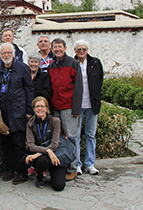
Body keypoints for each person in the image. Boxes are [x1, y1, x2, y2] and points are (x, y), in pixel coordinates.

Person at [0, 43, 34, 185]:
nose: (6, 55)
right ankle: (9, 169)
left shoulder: (22, 68)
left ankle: (22, 172)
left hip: (18, 111)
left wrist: (29, 110)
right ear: (0, 55)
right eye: (3, 53)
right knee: (6, 143)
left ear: (13, 53)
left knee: (18, 143)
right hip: (3, 112)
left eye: (9, 52)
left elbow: (29, 89)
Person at [47, 38, 83, 181]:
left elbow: (79, 87)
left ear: (65, 48)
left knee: (71, 138)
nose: (57, 49)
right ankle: (61, 166)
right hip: (55, 107)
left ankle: (73, 168)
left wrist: (76, 109)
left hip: (69, 108)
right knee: (59, 139)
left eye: (60, 47)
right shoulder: (51, 66)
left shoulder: (73, 64)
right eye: (55, 47)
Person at [74, 40, 104, 175]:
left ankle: (90, 163)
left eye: (84, 49)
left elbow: (100, 81)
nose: (81, 51)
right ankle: (77, 164)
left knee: (90, 135)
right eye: (79, 49)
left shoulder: (95, 63)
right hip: (77, 105)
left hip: (92, 104)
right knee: (76, 136)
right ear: (75, 50)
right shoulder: (72, 63)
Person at [24, 96, 66, 191]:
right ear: (33, 108)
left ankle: (53, 172)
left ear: (47, 108)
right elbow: (31, 145)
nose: (40, 109)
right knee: (42, 161)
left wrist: (40, 153)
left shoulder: (55, 121)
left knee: (59, 186)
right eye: (37, 106)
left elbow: (55, 144)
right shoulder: (30, 124)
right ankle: (39, 177)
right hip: (42, 158)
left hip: (55, 154)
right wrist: (47, 151)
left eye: (42, 106)